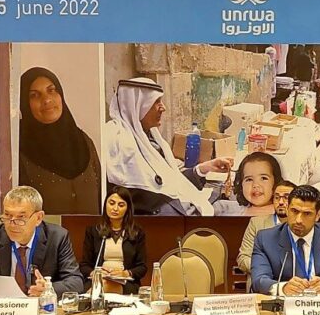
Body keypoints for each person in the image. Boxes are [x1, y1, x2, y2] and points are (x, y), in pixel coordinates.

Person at [105, 77, 232, 216]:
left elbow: (169, 183)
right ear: (136, 105)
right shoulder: (121, 141)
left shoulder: (152, 138)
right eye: (156, 102)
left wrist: (204, 168)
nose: (163, 108)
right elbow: (151, 195)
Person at [0, 186, 83, 301]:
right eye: (7, 215)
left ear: (38, 218)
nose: (12, 224)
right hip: (0, 310)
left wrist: (48, 289)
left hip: (39, 311)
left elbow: (75, 281)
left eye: (21, 217)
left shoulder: (57, 237)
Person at [19, 67, 101, 215]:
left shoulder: (84, 142)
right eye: (34, 95)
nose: (47, 100)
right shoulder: (18, 148)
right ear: (24, 103)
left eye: (51, 90)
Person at [250, 185, 320, 296]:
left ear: (318, 215)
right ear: (287, 209)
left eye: (307, 214)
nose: (298, 220)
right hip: (284, 304)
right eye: (294, 211)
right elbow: (259, 280)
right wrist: (283, 288)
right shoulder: (266, 239)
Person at [79, 187, 146, 295]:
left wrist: (125, 273)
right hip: (97, 280)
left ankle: (89, 298)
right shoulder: (93, 231)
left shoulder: (137, 233)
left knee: (107, 285)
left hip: (126, 283)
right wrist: (94, 273)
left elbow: (142, 267)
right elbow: (84, 265)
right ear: (105, 204)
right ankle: (93, 295)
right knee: (103, 283)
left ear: (128, 208)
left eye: (121, 205)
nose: (115, 208)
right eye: (111, 203)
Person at [236, 180, 296, 292]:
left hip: (294, 285)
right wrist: (264, 268)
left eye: (286, 198)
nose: (281, 202)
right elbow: (243, 258)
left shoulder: (301, 226)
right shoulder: (256, 223)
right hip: (263, 284)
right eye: (277, 197)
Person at [215, 152, 284, 216]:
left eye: (263, 178)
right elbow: (218, 206)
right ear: (241, 185)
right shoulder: (233, 209)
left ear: (276, 183)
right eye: (249, 179)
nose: (255, 185)